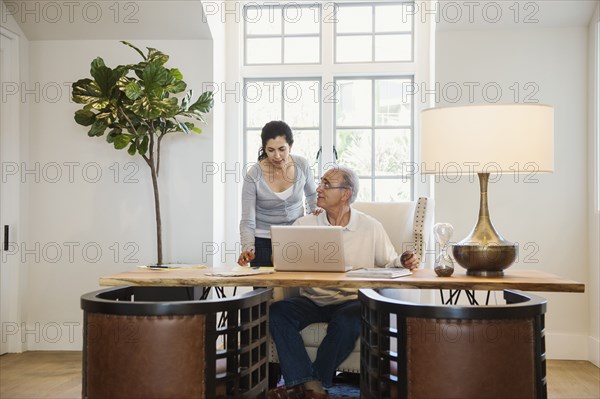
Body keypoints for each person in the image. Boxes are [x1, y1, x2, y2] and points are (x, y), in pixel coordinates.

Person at [268, 166, 418, 399]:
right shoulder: (305, 224)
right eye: (321, 182)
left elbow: (390, 261)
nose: (319, 188)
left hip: (351, 300)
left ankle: (309, 383)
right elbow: (282, 261)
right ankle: (310, 385)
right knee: (277, 312)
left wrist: (404, 260)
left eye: (327, 184)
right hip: (313, 299)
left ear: (346, 193)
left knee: (348, 321)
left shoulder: (370, 226)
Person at [238, 120, 318, 267]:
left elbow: (312, 196)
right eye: (270, 150)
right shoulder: (253, 175)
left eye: (282, 149)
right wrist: (248, 248)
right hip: (263, 241)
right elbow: (247, 221)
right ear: (264, 149)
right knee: (264, 290)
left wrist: (315, 219)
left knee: (294, 289)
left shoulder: (302, 165)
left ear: (290, 146)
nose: (277, 156)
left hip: (296, 237)